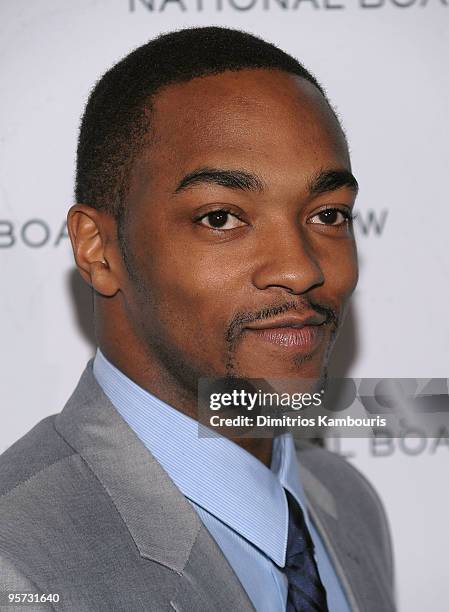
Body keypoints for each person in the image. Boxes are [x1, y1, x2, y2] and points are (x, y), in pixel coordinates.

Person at [0, 27, 395, 612]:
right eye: (220, 218)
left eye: (328, 214)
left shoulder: (347, 502)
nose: (301, 268)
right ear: (97, 249)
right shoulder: (17, 561)